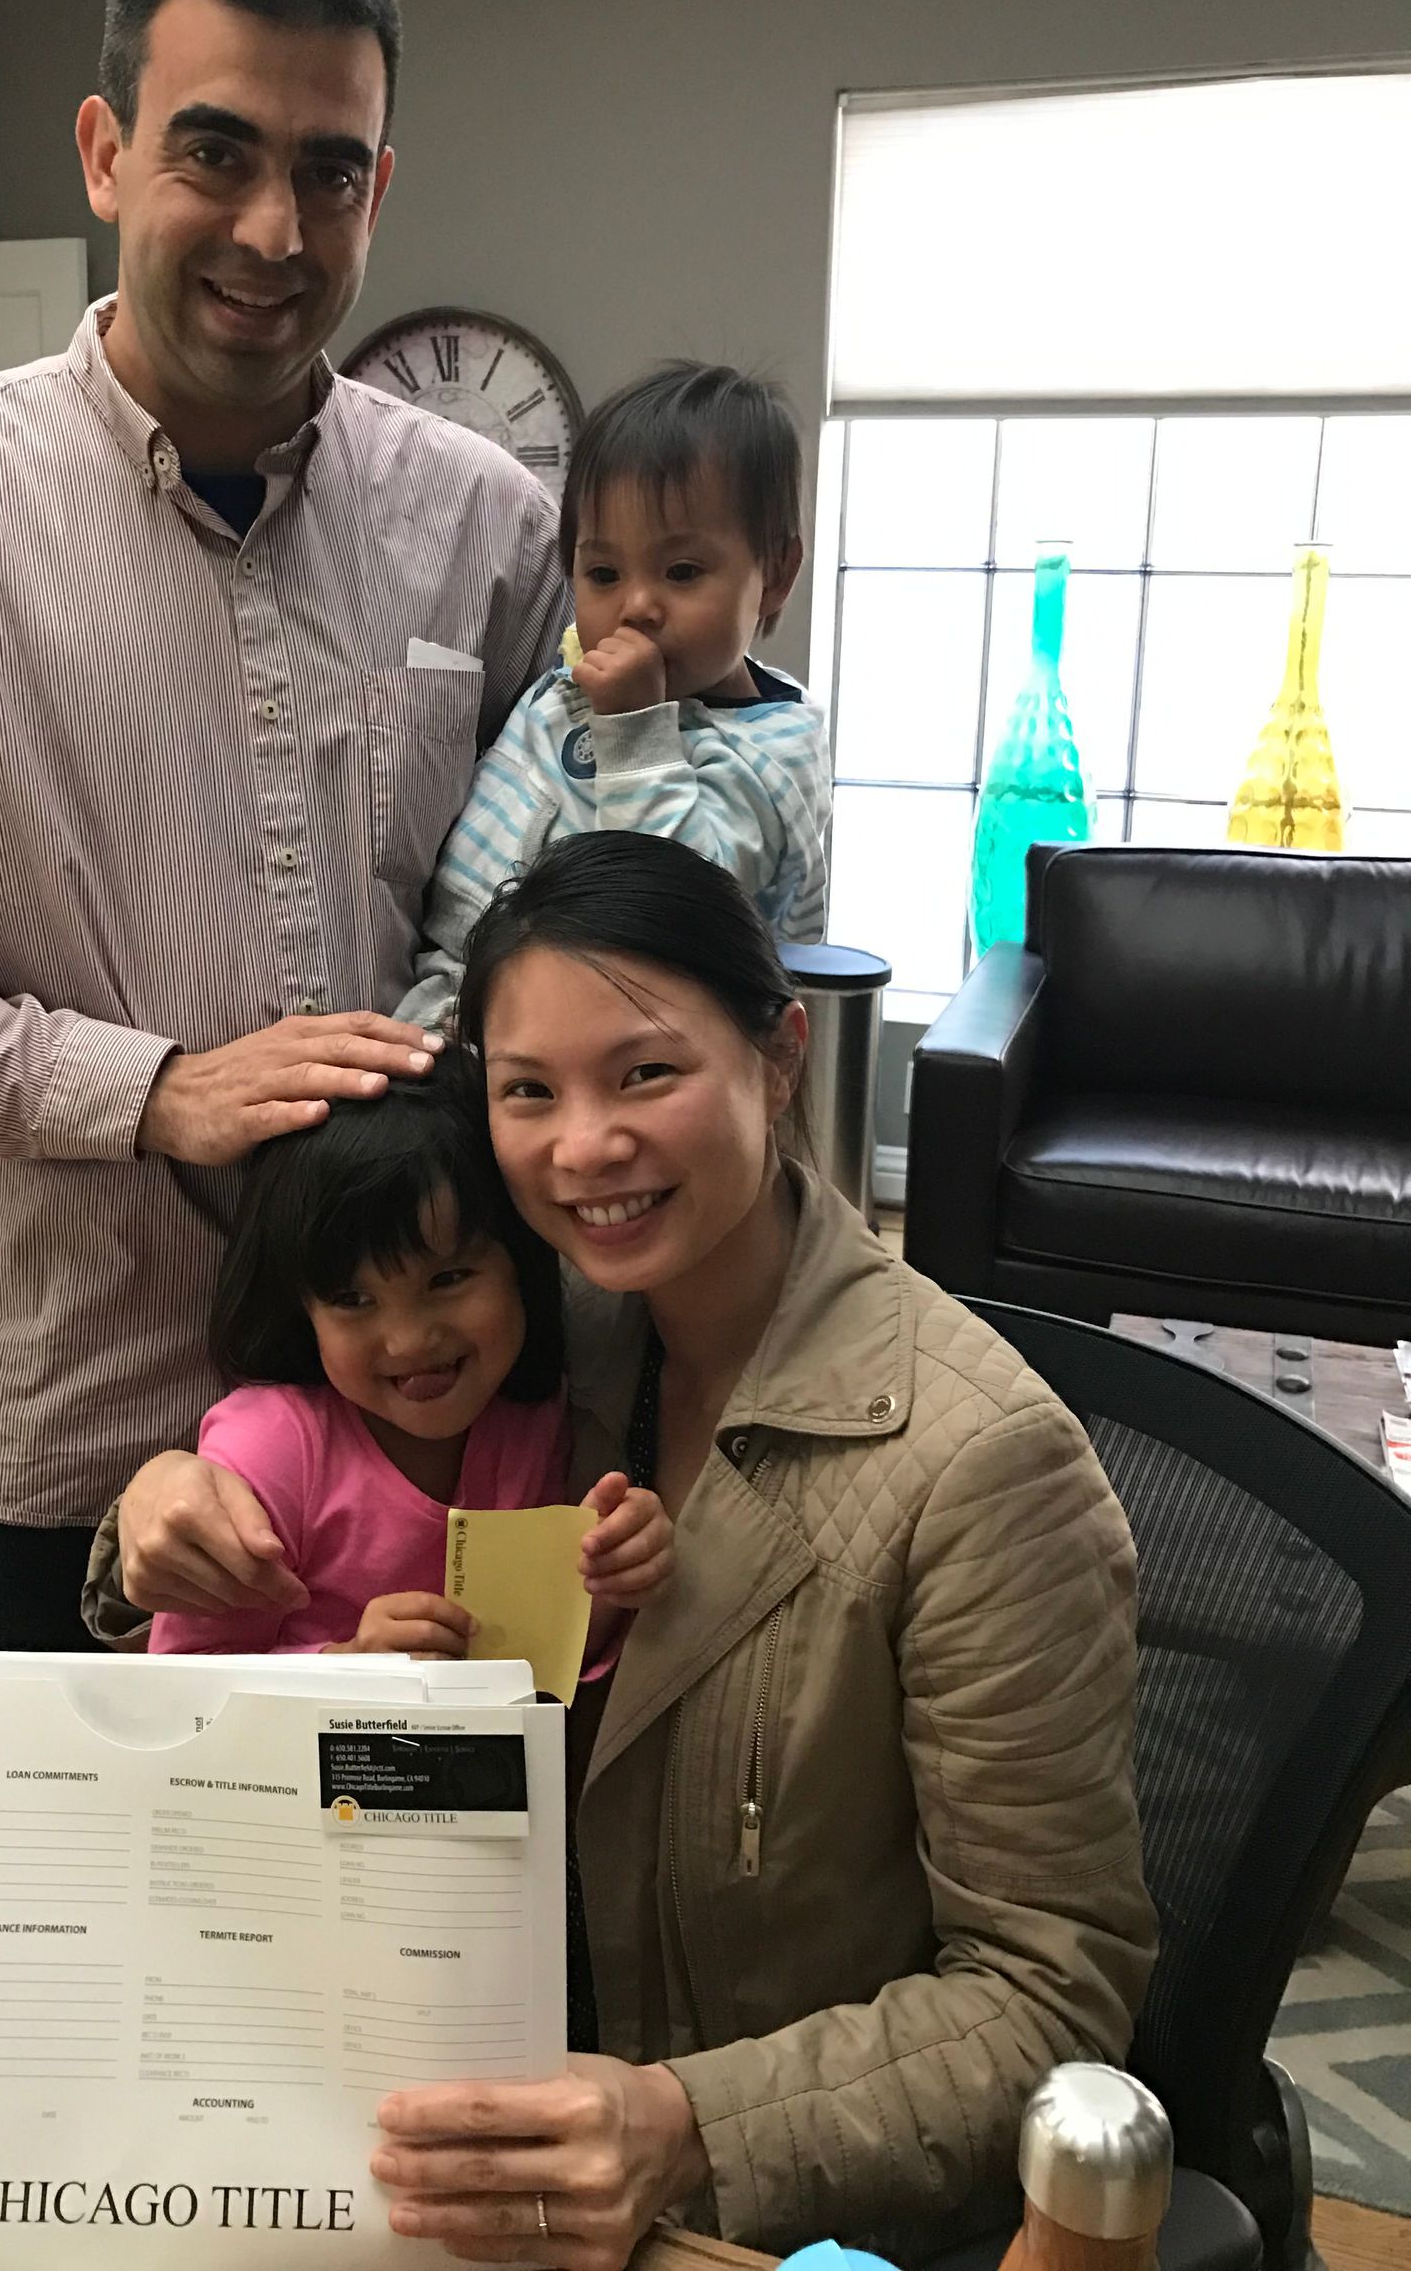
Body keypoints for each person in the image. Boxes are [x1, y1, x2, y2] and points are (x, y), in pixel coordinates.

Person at [0, 0, 565, 1649]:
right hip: (47, 1421)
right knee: (13, 1845)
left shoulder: (487, 525)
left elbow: (567, 918)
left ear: (380, 189)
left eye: (328, 171)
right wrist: (147, 1091)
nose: (272, 228)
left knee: (414, 1835)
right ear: (104, 152)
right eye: (214, 153)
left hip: (418, 1424)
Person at [94, 832, 1155, 2267]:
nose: (583, 1147)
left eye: (645, 1073)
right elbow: (306, 1465)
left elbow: (1048, 1999)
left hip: (757, 2219)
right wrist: (157, 1508)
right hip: (438, 2105)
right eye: (529, 1091)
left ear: (778, 1059)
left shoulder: (980, 1467)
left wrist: (691, 2123)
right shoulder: (526, 1333)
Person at [146, 1045, 672, 1662]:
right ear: (301, 1309)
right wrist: (349, 1668)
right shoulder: (271, 1450)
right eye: (352, 1300)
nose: (408, 1340)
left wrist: (615, 1580)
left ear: (523, 1264)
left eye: (447, 1279)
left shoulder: (540, 1419)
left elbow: (545, 1663)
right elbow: (184, 1685)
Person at [398, 362, 830, 1028]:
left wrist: (635, 730)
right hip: (461, 999)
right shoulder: (564, 690)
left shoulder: (771, 756)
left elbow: (673, 916)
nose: (636, 606)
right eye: (603, 573)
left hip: (628, 1036)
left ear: (774, 575)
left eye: (681, 571)